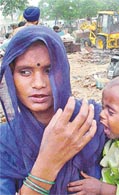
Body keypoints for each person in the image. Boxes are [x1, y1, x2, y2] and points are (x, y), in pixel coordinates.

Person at [0, 25, 106, 194]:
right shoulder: (5, 142)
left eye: (49, 70)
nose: (39, 83)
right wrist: (49, 161)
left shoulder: (96, 123)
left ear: (63, 71)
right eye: (25, 72)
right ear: (11, 76)